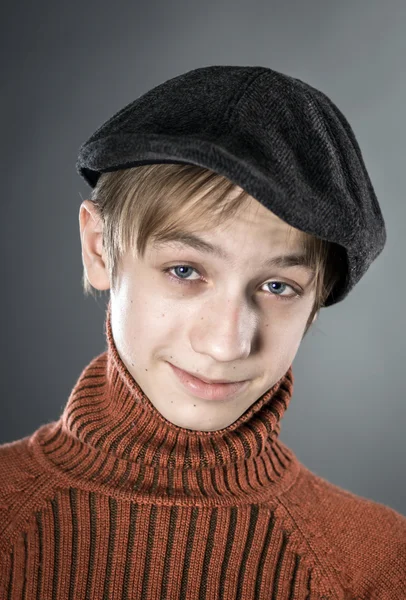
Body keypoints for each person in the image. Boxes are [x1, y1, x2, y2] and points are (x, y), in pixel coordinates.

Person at [0, 65, 405, 599]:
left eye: (278, 286)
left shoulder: (379, 565)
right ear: (100, 248)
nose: (225, 344)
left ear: (316, 299)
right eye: (185, 271)